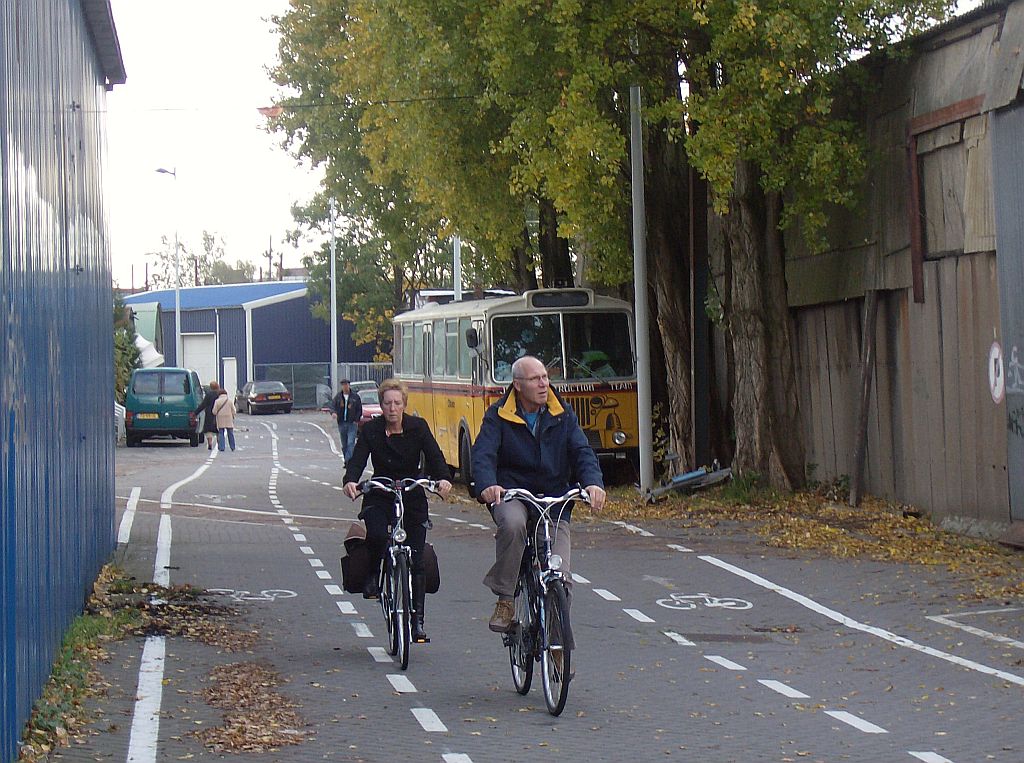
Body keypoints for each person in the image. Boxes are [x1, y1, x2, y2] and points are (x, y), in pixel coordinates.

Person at [471, 355, 607, 633]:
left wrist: (593, 483)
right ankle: (506, 599)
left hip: (554, 499)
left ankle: (557, 643)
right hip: (513, 494)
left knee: (560, 575)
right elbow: (483, 455)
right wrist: (488, 484)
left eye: (545, 377)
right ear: (518, 385)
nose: (544, 384)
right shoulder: (498, 415)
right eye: (535, 379)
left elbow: (582, 452)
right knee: (512, 524)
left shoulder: (563, 414)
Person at [343, 379, 452, 643]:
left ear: (404, 405)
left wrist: (443, 479)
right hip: (380, 492)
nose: (392, 408)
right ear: (381, 405)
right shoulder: (371, 430)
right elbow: (358, 458)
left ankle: (418, 622)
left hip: (412, 493)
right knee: (378, 534)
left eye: (397, 403)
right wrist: (351, 481)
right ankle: (372, 576)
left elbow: (435, 456)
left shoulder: (418, 427)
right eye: (387, 403)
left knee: (416, 558)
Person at [332, 379, 362, 463]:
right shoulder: (338, 397)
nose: (345, 386)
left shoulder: (355, 397)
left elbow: (359, 409)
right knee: (344, 444)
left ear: (349, 385)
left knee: (350, 442)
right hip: (341, 423)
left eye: (346, 384)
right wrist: (334, 413)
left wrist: (356, 419)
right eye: (343, 385)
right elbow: (333, 406)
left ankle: (348, 461)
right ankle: (347, 458)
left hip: (352, 423)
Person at [193, 381, 220, 450]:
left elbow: (203, 405)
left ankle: (210, 443)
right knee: (218, 429)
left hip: (209, 414)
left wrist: (195, 413)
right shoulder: (219, 394)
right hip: (218, 414)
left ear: (211, 387)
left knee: (208, 430)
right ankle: (219, 442)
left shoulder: (208, 395)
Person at [211, 388, 236, 452]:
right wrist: (232, 415)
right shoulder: (229, 401)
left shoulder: (217, 401)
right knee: (230, 433)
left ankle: (222, 447)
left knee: (221, 433)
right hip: (229, 418)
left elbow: (214, 411)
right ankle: (232, 446)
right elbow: (234, 411)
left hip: (220, 418)